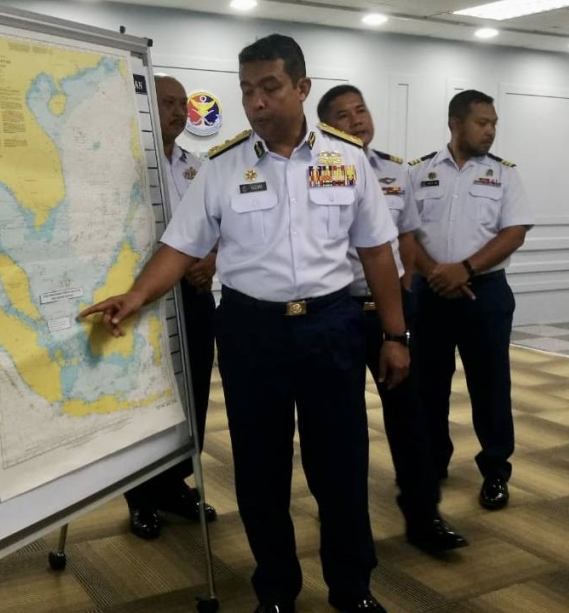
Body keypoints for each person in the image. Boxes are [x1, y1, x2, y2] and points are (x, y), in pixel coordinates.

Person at [81, 34, 408, 613]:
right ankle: (276, 592)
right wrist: (137, 294)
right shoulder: (222, 167)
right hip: (251, 333)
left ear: (302, 88)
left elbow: (378, 253)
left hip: (330, 328)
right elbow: (180, 247)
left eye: (270, 87)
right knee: (260, 471)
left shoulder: (346, 158)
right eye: (247, 90)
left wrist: (394, 334)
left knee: (341, 468)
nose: (256, 102)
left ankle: (352, 590)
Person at [317, 84, 467, 555]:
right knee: (339, 427)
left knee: (410, 418)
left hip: (392, 313)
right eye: (343, 114)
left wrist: (401, 304)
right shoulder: (316, 174)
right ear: (325, 125)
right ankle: (340, 519)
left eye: (361, 109)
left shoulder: (397, 171)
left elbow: (405, 241)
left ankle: (424, 518)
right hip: (338, 312)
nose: (357, 119)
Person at [408, 89, 533, 511]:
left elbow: (514, 233)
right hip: (430, 293)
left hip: (485, 293)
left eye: (494, 123)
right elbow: (405, 234)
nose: (491, 131)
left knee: (491, 385)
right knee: (428, 385)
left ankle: (496, 470)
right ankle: (432, 462)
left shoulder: (505, 175)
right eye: (483, 122)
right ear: (456, 123)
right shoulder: (419, 171)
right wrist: (434, 272)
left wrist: (465, 269)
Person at [124, 74, 218, 540]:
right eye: (168, 103)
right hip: (146, 295)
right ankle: (141, 495)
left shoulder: (198, 166)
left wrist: (213, 260)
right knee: (150, 397)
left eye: (183, 104)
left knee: (193, 389)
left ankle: (175, 482)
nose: (179, 112)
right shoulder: (126, 163)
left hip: (196, 294)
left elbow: (220, 225)